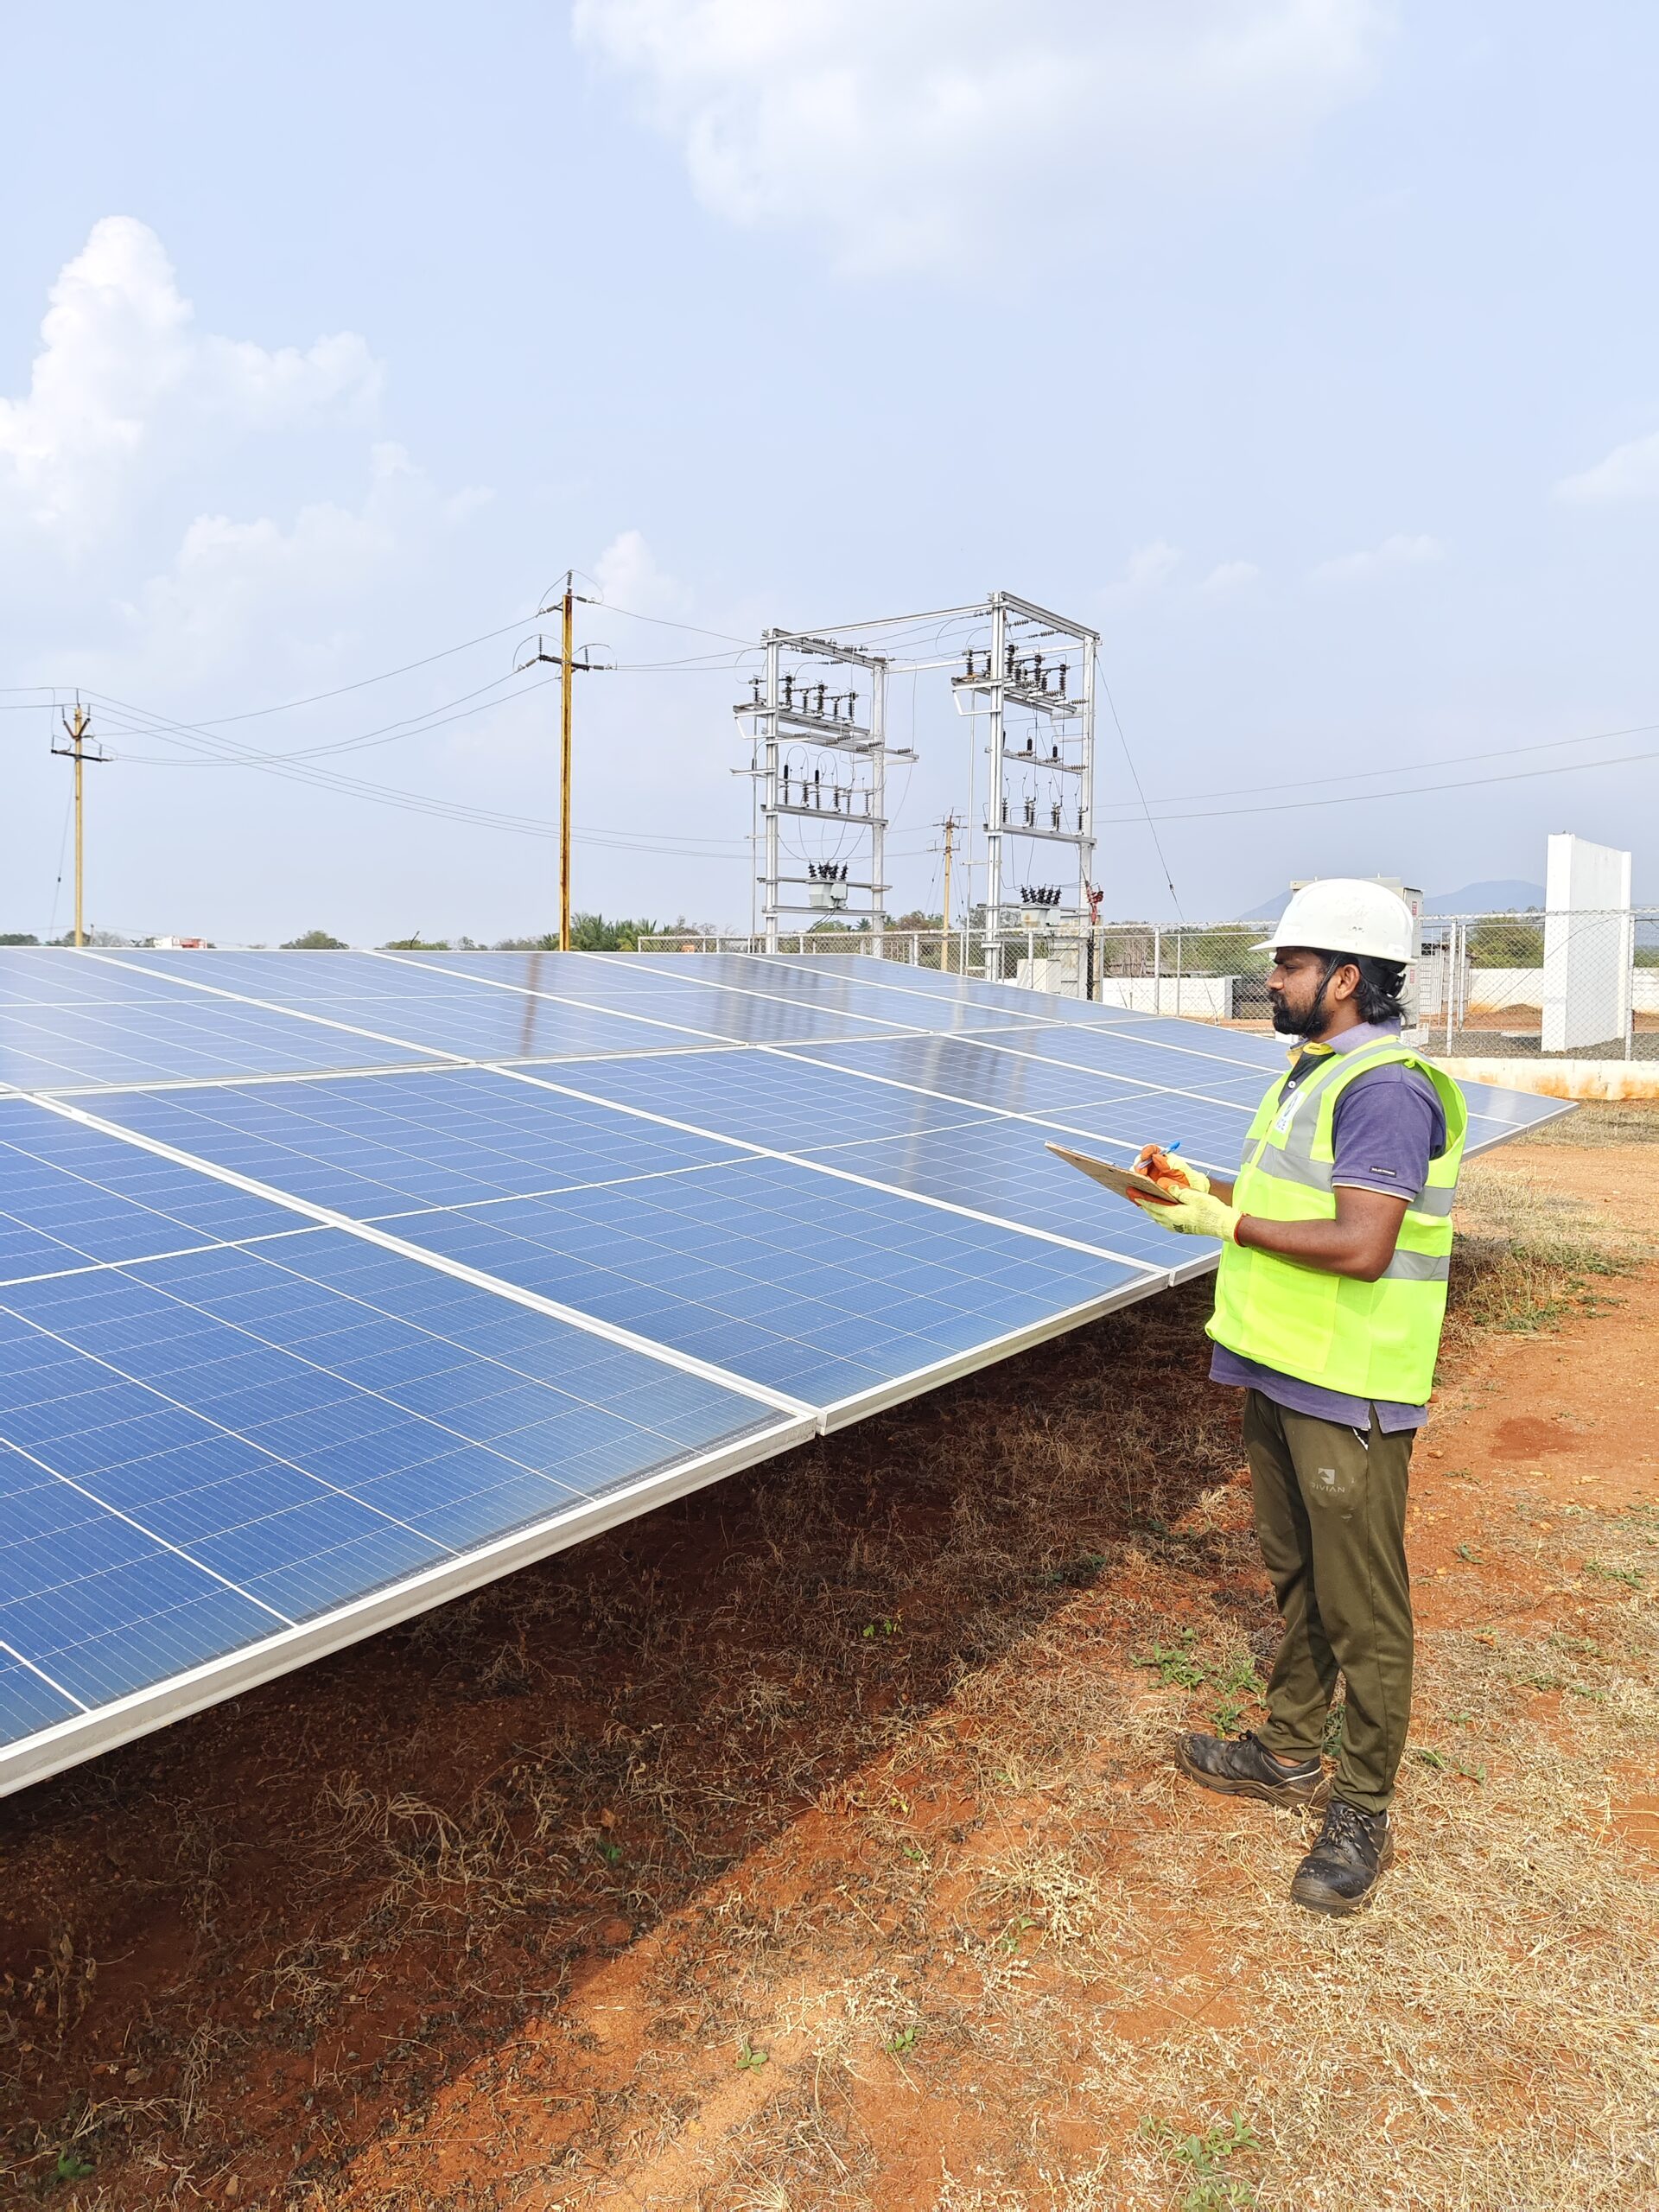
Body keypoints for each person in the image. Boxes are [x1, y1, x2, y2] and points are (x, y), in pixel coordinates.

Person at [1128, 879, 1466, 1916]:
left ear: (1346, 977)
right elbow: (1293, 1205)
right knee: (1299, 1576)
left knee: (1362, 1605)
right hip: (1279, 1365)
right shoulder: (1312, 1074)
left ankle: (1361, 1807)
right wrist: (1202, 1194)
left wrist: (1226, 1227)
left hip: (1348, 1381)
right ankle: (1286, 1752)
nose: (1272, 979)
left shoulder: (1386, 1090)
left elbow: (1363, 1245)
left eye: (1290, 964)